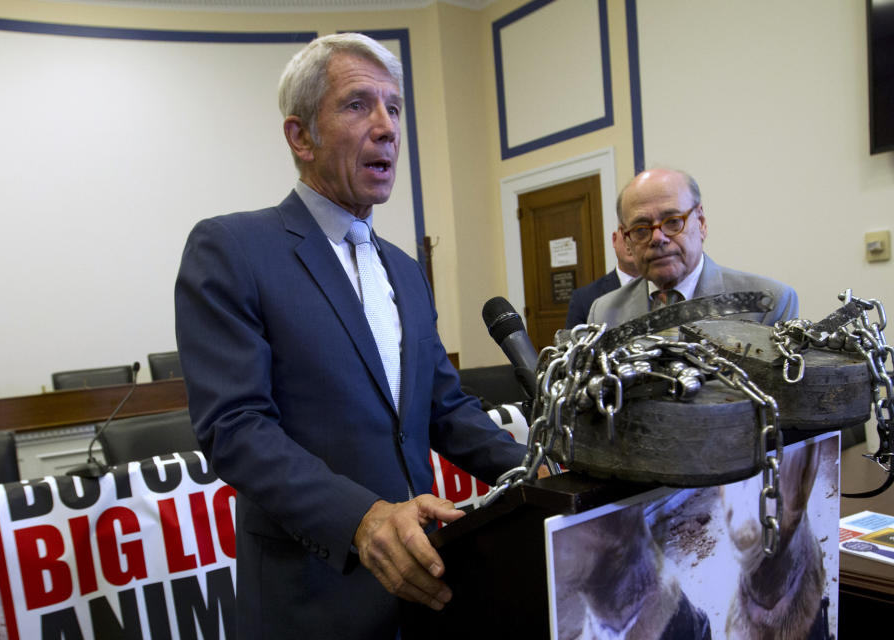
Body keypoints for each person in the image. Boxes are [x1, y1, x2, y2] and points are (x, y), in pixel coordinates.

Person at [174, 33, 526, 639]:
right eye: (359, 104)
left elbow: (444, 409)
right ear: (300, 136)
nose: (387, 127)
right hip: (311, 597)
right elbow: (235, 428)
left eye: (393, 107)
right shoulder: (231, 248)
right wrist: (361, 519)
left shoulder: (406, 271)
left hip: (427, 582)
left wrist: (534, 470)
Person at [587, 168, 798, 327]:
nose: (657, 237)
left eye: (672, 221)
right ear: (627, 241)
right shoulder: (604, 313)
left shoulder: (769, 304)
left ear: (701, 223)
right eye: (641, 229)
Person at [565, 229, 638, 328]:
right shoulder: (583, 299)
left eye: (638, 234)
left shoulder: (662, 289)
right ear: (614, 239)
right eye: (625, 236)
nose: (630, 244)